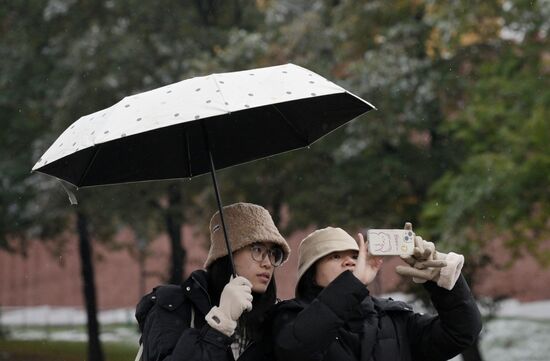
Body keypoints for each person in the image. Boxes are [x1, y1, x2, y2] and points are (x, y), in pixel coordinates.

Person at [273, 224, 482, 361]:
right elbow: (293, 349)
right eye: (335, 256)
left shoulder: (394, 319)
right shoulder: (290, 318)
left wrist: (443, 278)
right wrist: (351, 283)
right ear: (311, 273)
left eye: (355, 256)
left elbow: (461, 333)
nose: (350, 261)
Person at [136, 202, 291, 361]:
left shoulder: (273, 320)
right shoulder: (173, 306)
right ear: (226, 254)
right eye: (257, 249)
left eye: (273, 254)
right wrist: (221, 323)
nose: (267, 263)